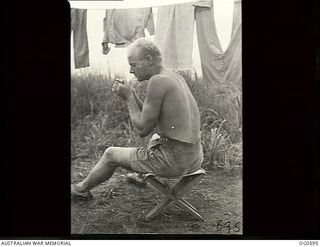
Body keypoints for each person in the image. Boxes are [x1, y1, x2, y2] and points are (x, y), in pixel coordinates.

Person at [71, 38, 203, 199]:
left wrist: (128, 99)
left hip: (174, 163)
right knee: (156, 138)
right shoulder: (173, 77)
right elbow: (151, 117)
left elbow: (142, 129)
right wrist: (132, 93)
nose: (131, 71)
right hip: (194, 157)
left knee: (110, 154)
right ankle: (141, 175)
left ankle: (81, 189)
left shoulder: (157, 81)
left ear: (148, 60)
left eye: (133, 64)